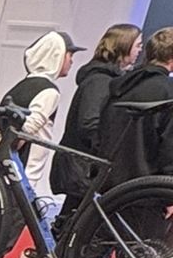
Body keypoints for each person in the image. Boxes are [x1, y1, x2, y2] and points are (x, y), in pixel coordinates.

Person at [55, 23, 142, 205]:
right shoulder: (100, 81)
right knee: (75, 216)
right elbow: (89, 123)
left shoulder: (106, 79)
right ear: (123, 46)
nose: (140, 50)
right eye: (137, 45)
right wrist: (108, 149)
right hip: (83, 168)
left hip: (84, 166)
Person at [0, 31, 79, 215]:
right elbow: (25, 132)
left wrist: (2, 152)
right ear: (56, 55)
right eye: (69, 55)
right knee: (11, 224)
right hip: (24, 175)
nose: (71, 61)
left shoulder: (18, 87)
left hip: (5, 172)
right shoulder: (49, 91)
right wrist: (12, 150)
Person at [98, 26, 173, 182]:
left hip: (108, 183)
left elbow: (100, 131)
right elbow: (169, 149)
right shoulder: (168, 92)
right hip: (146, 187)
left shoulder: (121, 85)